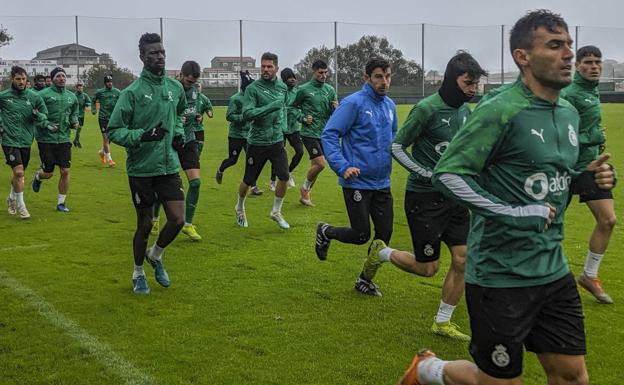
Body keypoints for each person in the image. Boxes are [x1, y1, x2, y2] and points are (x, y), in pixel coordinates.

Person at [398, 10, 616, 385]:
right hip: (500, 275)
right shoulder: (499, 108)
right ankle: (428, 370)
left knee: (572, 376)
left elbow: (554, 177)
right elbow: (448, 174)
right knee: (498, 381)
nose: (568, 54)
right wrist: (512, 212)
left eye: (568, 45)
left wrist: (589, 177)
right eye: (554, 45)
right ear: (523, 57)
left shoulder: (568, 111)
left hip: (552, 268)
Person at [362, 52, 486, 340]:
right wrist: (425, 173)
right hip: (424, 199)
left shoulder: (466, 111)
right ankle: (380, 252)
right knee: (428, 268)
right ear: (452, 80)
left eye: (476, 84)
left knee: (463, 258)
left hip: (455, 197)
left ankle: (442, 322)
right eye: (468, 83)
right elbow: (396, 147)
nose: (473, 89)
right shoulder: (427, 109)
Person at [108, 32, 187, 295]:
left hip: (168, 167)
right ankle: (138, 271)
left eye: (162, 51)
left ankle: (156, 254)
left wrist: (178, 135)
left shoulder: (175, 88)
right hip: (141, 169)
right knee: (144, 225)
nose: (159, 56)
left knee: (177, 219)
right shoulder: (132, 93)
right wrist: (141, 136)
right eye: (153, 53)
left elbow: (179, 117)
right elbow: (115, 130)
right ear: (142, 57)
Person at [316, 57, 396, 296]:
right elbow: (329, 135)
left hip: (383, 182)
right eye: (379, 77)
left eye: (388, 76)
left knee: (383, 237)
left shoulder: (390, 106)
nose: (384, 82)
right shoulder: (353, 103)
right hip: (357, 181)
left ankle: (364, 280)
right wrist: (342, 166)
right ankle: (325, 231)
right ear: (367, 78)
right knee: (361, 235)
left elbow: (394, 140)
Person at [561, 45, 617, 304]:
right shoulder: (570, 93)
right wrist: (592, 135)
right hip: (568, 168)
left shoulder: (592, 92)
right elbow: (561, 134)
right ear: (577, 66)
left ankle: (589, 275)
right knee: (547, 226)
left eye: (598, 62)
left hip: (592, 166)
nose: (594, 66)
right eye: (588, 62)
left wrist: (596, 136)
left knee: (608, 220)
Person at [234, 52, 290, 229]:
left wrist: (284, 129)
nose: (265, 69)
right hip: (257, 142)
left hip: (276, 141)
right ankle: (240, 206)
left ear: (276, 68)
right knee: (248, 180)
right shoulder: (252, 89)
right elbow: (247, 114)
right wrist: (269, 107)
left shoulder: (282, 88)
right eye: (263, 66)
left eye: (269, 66)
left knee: (284, 176)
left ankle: (276, 211)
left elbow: (284, 109)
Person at [153, 60, 204, 241]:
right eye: (189, 81)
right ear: (181, 75)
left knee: (196, 183)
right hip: (171, 141)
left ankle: (188, 224)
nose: (191, 85)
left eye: (195, 82)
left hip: (188, 141)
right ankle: (155, 218)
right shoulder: (170, 90)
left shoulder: (195, 92)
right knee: (164, 185)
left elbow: (190, 112)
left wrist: (197, 117)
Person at [1, 66, 48, 219]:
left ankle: (11, 198)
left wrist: (38, 116)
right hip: (9, 140)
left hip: (27, 140)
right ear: (12, 79)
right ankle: (22, 206)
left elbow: (44, 114)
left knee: (19, 175)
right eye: (18, 79)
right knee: (19, 172)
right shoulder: (3, 96)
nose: (22, 82)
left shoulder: (34, 97)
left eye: (24, 79)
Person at [32, 67, 78, 212]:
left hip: (64, 139)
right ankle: (39, 176)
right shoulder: (42, 95)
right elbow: (34, 114)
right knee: (48, 173)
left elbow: (74, 113)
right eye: (58, 76)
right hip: (46, 139)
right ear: (52, 79)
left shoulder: (72, 97)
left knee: (65, 171)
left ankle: (61, 203)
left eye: (63, 76)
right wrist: (46, 124)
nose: (61, 79)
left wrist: (74, 122)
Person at [293, 59, 338, 206]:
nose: (324, 75)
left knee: (316, 167)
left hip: (324, 132)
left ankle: (306, 195)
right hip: (308, 132)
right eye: (320, 73)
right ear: (314, 71)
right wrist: (303, 118)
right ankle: (304, 189)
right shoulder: (304, 89)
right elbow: (292, 108)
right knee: (321, 164)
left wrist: (335, 109)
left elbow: (334, 113)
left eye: (326, 72)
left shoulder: (330, 90)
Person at [214, 71, 263, 196]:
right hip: (236, 135)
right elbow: (229, 116)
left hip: (250, 135)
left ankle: (254, 186)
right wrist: (243, 117)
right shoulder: (235, 99)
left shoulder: (253, 99)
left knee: (252, 160)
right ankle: (220, 169)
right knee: (233, 160)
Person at [269, 68, 304, 191]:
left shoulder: (298, 91)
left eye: (293, 77)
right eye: (289, 77)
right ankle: (273, 181)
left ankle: (287, 173)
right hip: (281, 128)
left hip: (294, 127)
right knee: (277, 155)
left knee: (300, 152)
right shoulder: (280, 91)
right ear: (284, 80)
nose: (292, 79)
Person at [92, 74, 121, 167]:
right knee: (105, 138)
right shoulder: (100, 92)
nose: (110, 83)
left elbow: (122, 101)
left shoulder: (117, 92)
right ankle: (110, 159)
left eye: (111, 82)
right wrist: (93, 109)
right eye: (108, 82)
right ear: (105, 83)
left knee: (110, 137)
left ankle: (102, 152)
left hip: (112, 118)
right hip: (103, 117)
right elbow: (93, 100)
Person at [193, 81, 213, 157]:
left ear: (201, 87)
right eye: (196, 86)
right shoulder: (187, 97)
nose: (197, 88)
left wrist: (209, 112)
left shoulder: (204, 98)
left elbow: (209, 111)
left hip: (199, 128)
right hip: (188, 127)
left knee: (200, 146)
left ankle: (196, 159)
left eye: (199, 87)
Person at [72, 81, 91, 148]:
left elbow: (89, 102)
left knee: (79, 128)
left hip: (82, 115)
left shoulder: (85, 95)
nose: (80, 89)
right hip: (75, 115)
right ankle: (76, 141)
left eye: (81, 88)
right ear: (76, 88)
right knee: (78, 128)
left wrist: (87, 104)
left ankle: (76, 140)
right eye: (79, 88)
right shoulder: (73, 95)